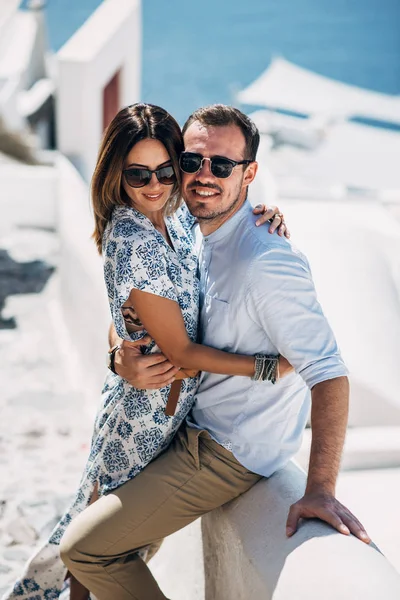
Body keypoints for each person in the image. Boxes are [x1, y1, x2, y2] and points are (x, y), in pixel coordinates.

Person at [59, 104, 370, 600]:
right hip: (180, 425)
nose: (203, 176)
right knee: (95, 538)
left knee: (86, 550)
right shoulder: (191, 229)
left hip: (224, 450)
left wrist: (320, 490)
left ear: (249, 173)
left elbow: (329, 372)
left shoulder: (266, 259)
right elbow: (136, 308)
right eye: (192, 161)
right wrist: (118, 353)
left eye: (222, 165)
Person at [2, 104, 290, 600]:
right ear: (118, 171)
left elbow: (216, 224)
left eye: (165, 169)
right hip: (137, 424)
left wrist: (262, 213)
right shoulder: (133, 236)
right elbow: (179, 348)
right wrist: (268, 367)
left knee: (116, 543)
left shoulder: (175, 217)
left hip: (166, 417)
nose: (154, 183)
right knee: (95, 548)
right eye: (138, 173)